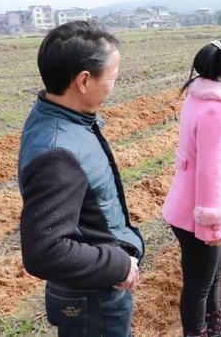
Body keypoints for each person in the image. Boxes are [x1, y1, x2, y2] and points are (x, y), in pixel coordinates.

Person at [18, 21, 143, 337]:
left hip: (91, 287)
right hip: (92, 298)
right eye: (112, 78)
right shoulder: (59, 150)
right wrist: (119, 264)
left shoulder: (58, 116)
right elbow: (44, 250)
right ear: (84, 81)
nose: (114, 85)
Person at [162, 33, 221, 337]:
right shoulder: (218, 110)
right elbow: (210, 173)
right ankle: (198, 332)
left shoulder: (200, 95)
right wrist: (211, 228)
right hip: (198, 214)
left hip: (188, 205)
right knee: (198, 284)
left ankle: (216, 329)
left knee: (212, 275)